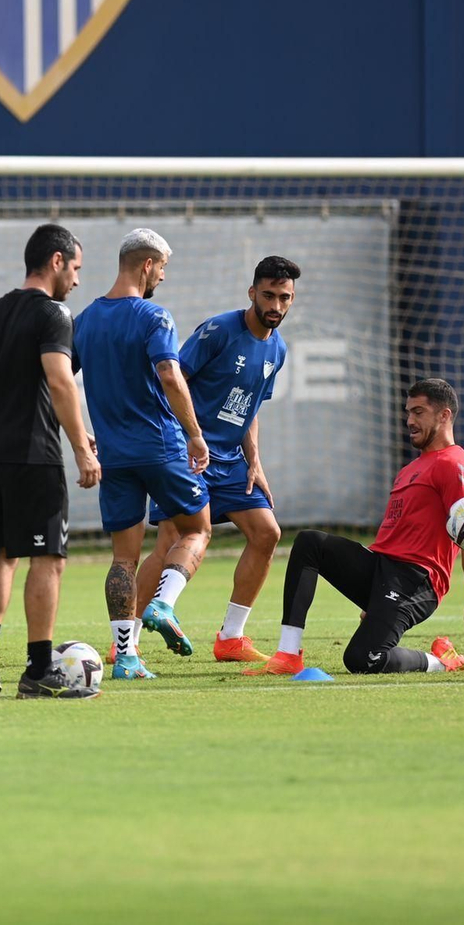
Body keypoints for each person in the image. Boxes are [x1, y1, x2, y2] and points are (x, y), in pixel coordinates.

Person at [245, 378, 464, 676]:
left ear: (444, 415)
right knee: (310, 543)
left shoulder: (456, 464)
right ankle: (287, 654)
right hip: (381, 569)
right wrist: (373, 596)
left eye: (418, 412)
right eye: (408, 412)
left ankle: (441, 661)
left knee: (363, 660)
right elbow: (393, 535)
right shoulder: (410, 470)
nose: (409, 421)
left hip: (416, 582)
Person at [131, 256, 299, 665]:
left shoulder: (277, 349)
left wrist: (254, 460)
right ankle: (128, 642)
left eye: (285, 298)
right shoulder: (218, 331)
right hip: (189, 454)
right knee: (171, 540)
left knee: (267, 533)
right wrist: (182, 440)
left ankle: (230, 637)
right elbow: (172, 381)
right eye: (269, 295)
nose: (276, 305)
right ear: (252, 293)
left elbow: (249, 408)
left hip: (231, 461)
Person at [0, 224, 101, 700]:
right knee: (49, 558)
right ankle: (40, 668)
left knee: (3, 555)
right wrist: (81, 447)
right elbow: (61, 382)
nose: (77, 280)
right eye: (75, 268)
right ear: (56, 261)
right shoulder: (54, 314)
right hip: (34, 457)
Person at [71, 229, 211, 681]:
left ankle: (126, 658)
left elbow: (58, 378)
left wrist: (81, 433)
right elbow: (170, 375)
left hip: (114, 455)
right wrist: (194, 434)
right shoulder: (154, 315)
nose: (163, 278)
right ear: (147, 265)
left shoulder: (87, 319)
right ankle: (164, 604)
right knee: (197, 528)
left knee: (123, 559)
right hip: (160, 446)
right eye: (163, 268)